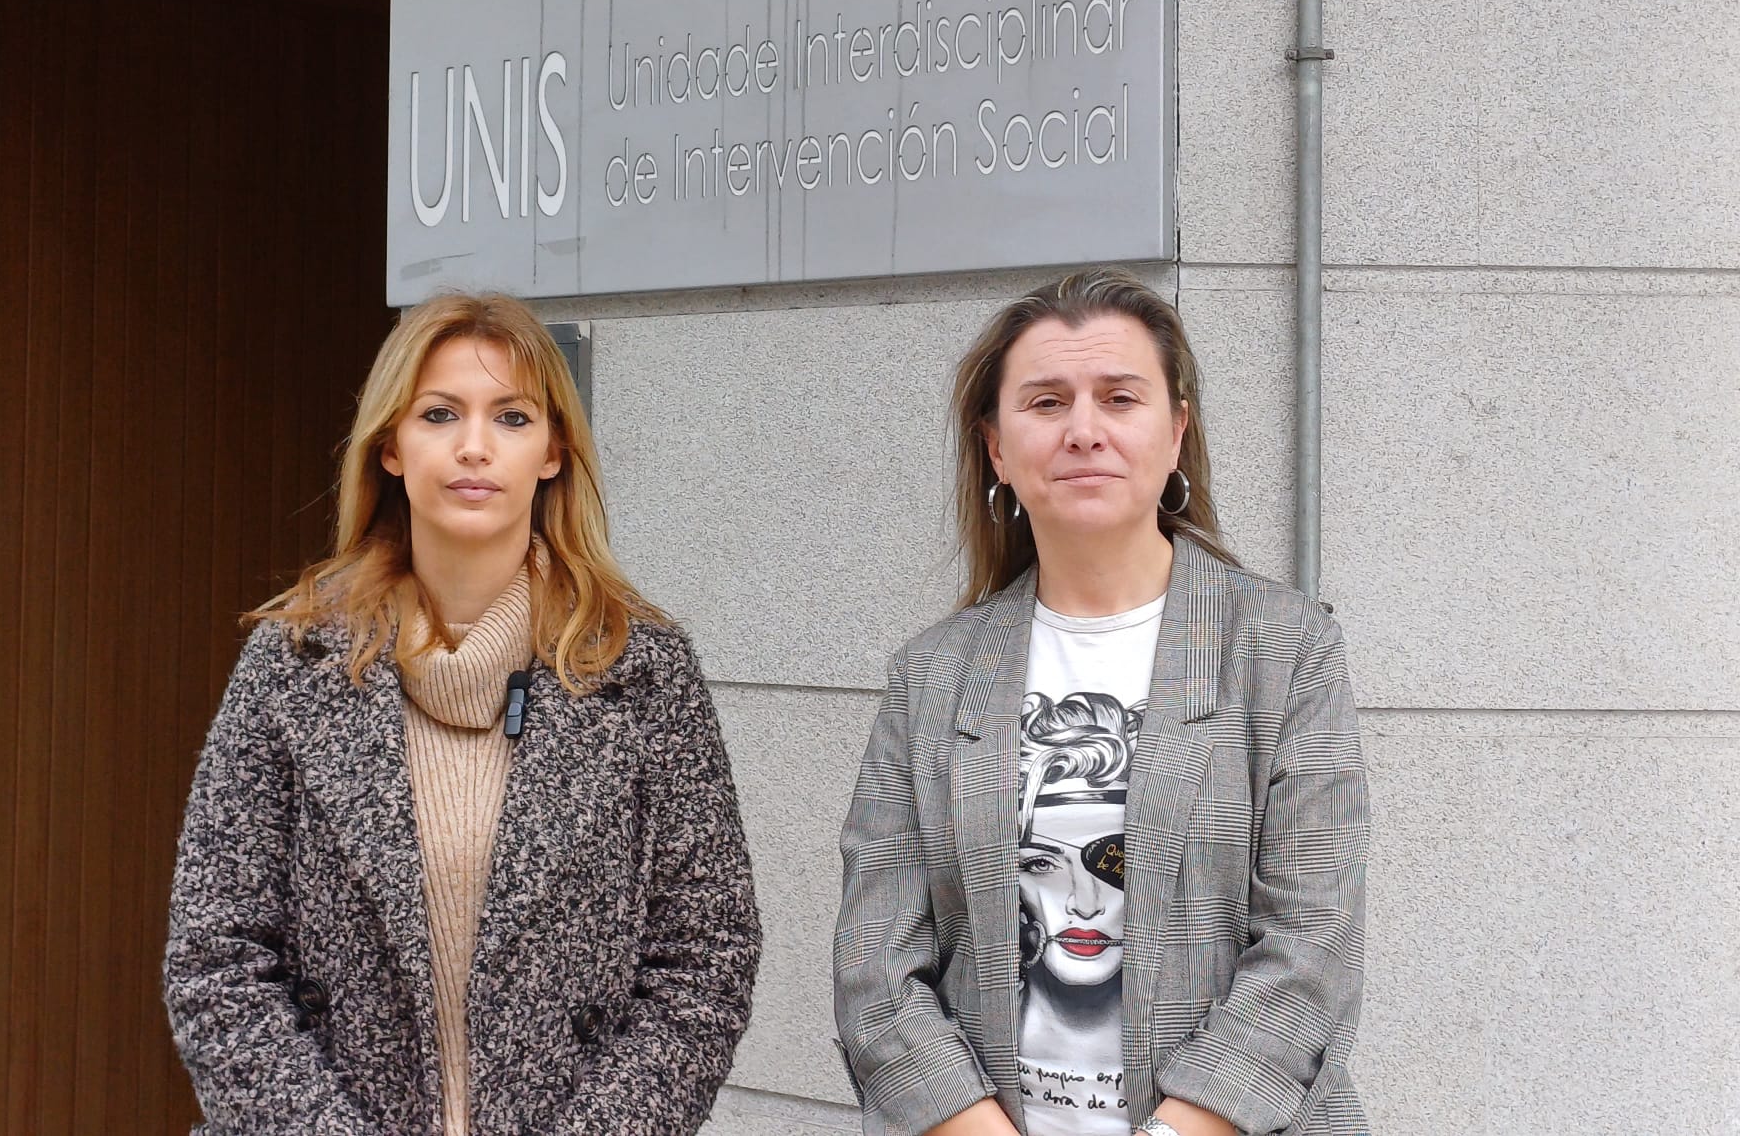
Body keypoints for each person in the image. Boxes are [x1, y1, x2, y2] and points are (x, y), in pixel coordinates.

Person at [164, 293, 761, 1136]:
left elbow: (706, 962)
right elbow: (216, 959)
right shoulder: (290, 664)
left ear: (553, 451)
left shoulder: (645, 676)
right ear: (392, 449)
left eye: (511, 417)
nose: (474, 446)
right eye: (440, 414)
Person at [834, 269, 1368, 1136]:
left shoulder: (1285, 649)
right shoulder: (931, 676)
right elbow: (875, 965)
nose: (1084, 430)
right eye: (1046, 403)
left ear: (1175, 433)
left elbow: (1313, 941)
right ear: (997, 448)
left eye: (1120, 398)